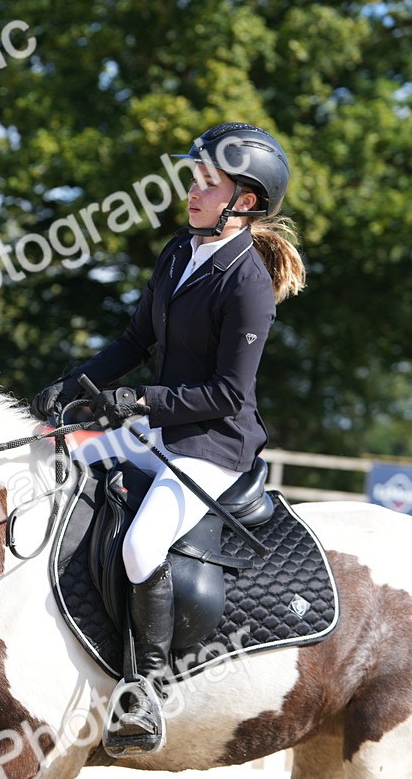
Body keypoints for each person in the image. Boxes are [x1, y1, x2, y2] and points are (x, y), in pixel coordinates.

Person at [30, 122, 306, 753]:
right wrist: (73, 384)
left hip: (213, 445)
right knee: (49, 475)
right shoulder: (180, 252)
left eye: (209, 182)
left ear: (246, 200)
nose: (192, 189)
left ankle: (143, 691)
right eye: (195, 177)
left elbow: (229, 395)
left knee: (142, 545)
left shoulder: (248, 282)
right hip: (156, 431)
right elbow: (134, 341)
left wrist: (135, 399)